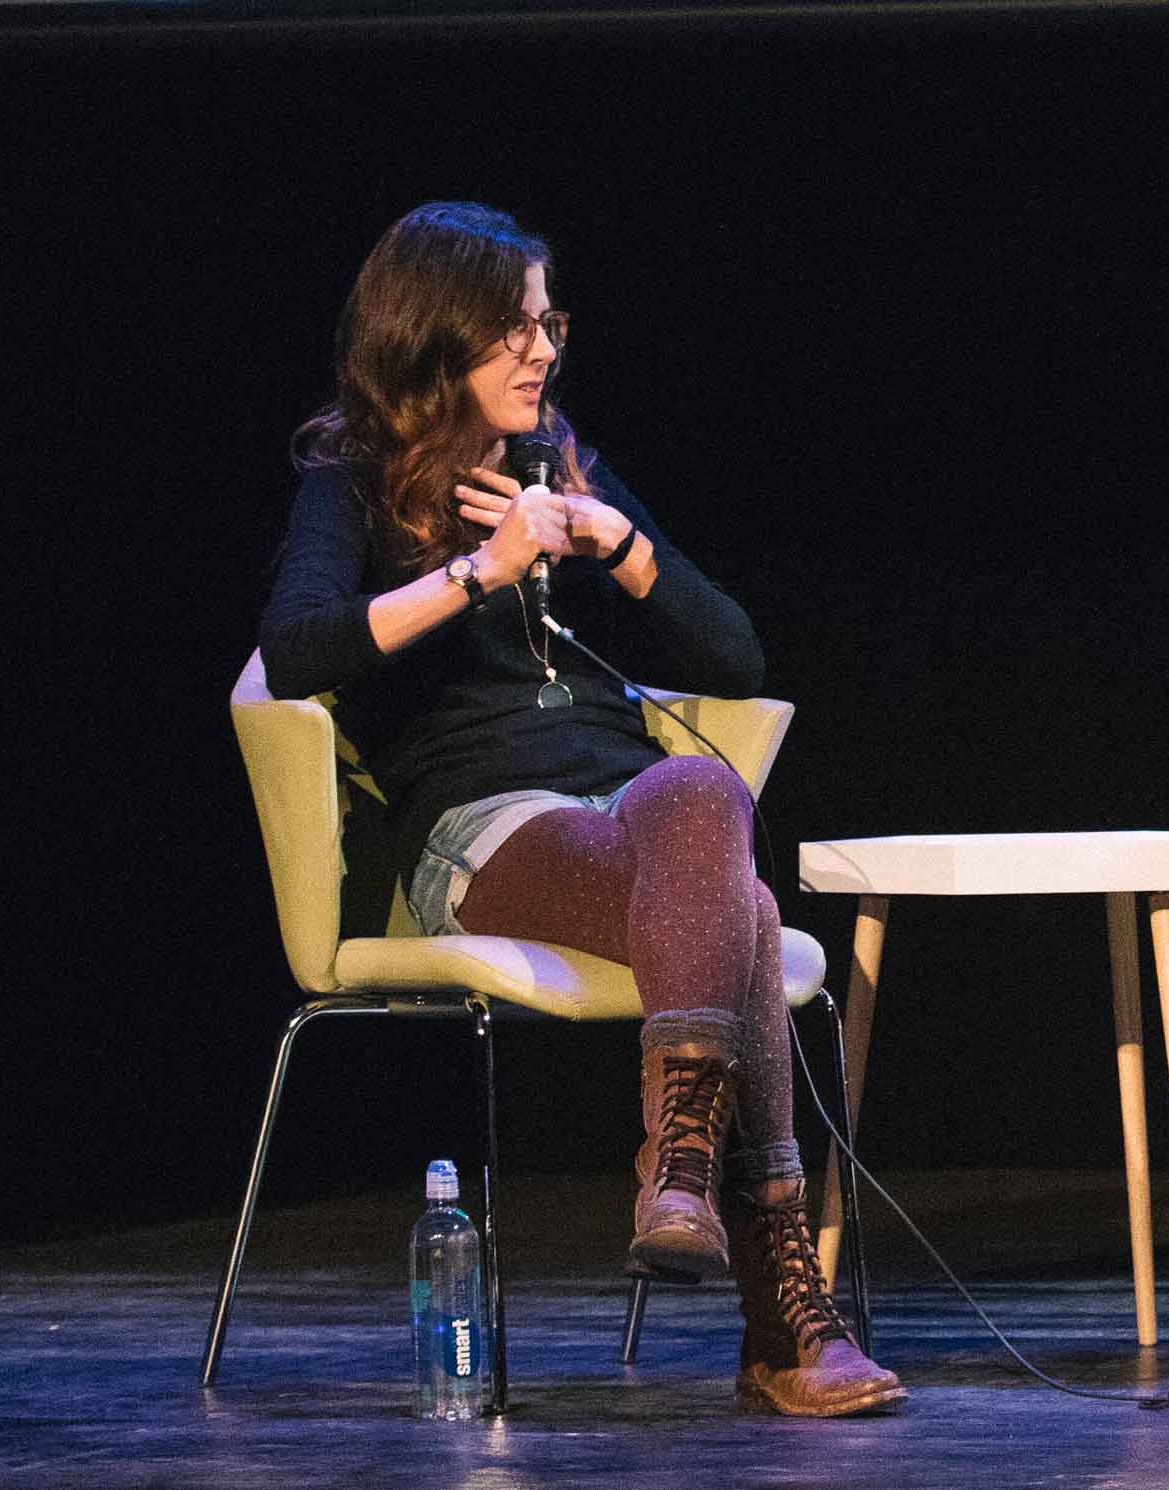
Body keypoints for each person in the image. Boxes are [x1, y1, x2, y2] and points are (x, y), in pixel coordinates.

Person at [258, 202, 901, 1417]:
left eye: (550, 322)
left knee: (703, 786)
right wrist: (475, 576)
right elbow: (295, 653)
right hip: (482, 826)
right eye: (514, 327)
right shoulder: (348, 478)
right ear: (435, 335)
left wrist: (614, 542)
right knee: (745, 909)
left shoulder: (556, 460)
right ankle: (784, 1311)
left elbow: (738, 650)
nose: (542, 348)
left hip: (629, 806)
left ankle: (682, 1171)